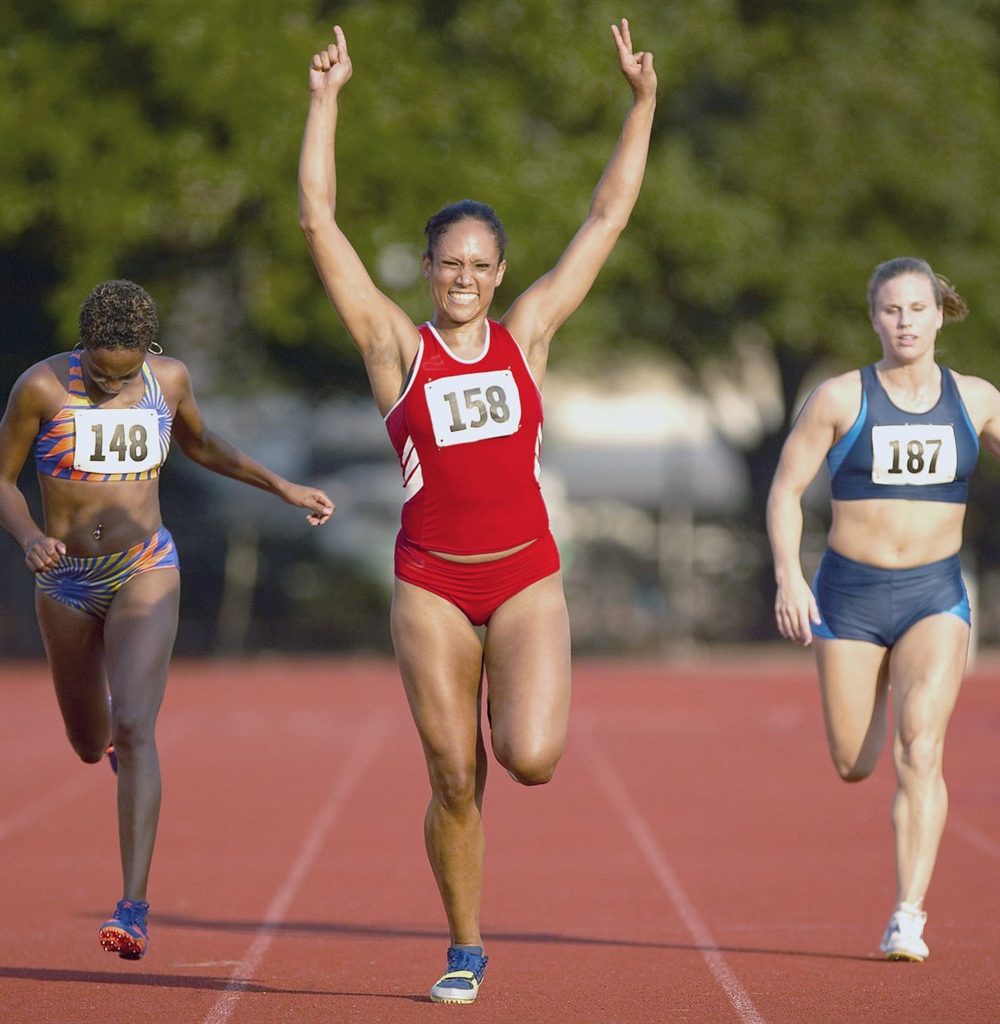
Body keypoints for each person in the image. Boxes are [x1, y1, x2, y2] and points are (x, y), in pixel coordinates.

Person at [299, 18, 655, 1004]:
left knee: (529, 758)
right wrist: (324, 102)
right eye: (447, 262)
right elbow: (320, 225)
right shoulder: (392, 348)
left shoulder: (527, 335)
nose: (463, 276)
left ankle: (508, 730)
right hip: (429, 584)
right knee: (453, 776)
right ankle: (463, 945)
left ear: (499, 273)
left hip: (526, 576)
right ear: (427, 268)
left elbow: (605, 220)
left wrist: (641, 106)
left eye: (479, 264)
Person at [766, 256, 1000, 962]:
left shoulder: (974, 399)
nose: (905, 322)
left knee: (921, 748)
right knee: (852, 761)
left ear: (941, 314)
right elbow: (784, 492)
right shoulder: (839, 399)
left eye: (917, 308)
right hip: (849, 596)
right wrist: (790, 577)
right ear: (874, 318)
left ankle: (909, 914)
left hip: (934, 595)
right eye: (891, 310)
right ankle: (872, 681)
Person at [0, 279, 335, 961]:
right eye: (101, 373)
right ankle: (109, 741)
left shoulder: (167, 379)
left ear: (149, 351)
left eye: (125, 374)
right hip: (64, 581)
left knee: (137, 726)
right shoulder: (42, 387)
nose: (113, 387)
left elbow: (203, 446)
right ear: (82, 346)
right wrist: (29, 536)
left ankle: (133, 907)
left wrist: (281, 487)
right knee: (90, 743)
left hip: (145, 564)